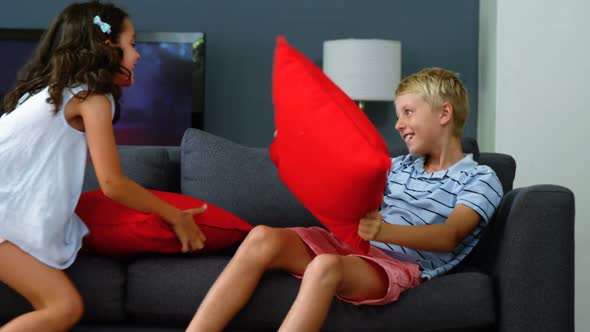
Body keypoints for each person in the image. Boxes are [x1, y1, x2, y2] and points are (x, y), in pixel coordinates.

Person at [187, 67, 504, 332]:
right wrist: (299, 145)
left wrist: (382, 232)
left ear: (444, 113)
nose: (398, 124)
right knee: (261, 237)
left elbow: (450, 236)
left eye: (408, 112)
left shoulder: (479, 178)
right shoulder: (399, 166)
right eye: (398, 115)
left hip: (401, 266)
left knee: (326, 266)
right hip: (355, 245)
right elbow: (346, 181)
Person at [0, 2, 207, 331]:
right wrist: (175, 215)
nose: (137, 56)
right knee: (63, 307)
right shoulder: (92, 98)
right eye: (132, 44)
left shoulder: (41, 93)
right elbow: (113, 183)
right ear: (107, 48)